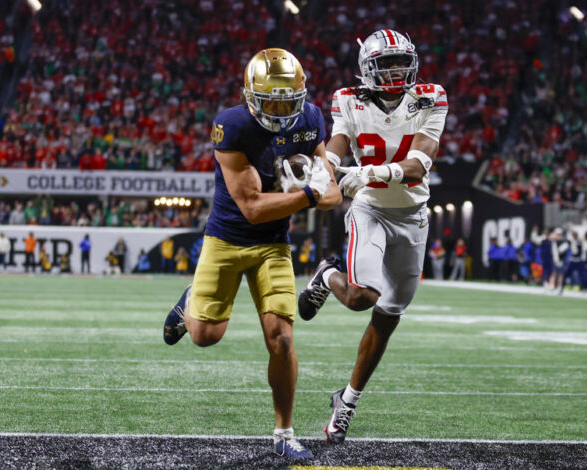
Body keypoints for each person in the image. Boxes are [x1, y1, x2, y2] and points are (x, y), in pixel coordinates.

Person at [162, 48, 340, 459]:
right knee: (206, 336)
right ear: (250, 96)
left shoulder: (311, 119)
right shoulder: (232, 125)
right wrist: (308, 193)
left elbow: (332, 193)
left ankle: (284, 434)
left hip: (273, 245)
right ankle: (189, 303)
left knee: (282, 340)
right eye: (270, 102)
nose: (280, 111)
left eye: (287, 102)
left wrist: (315, 191)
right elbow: (253, 207)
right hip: (226, 238)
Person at [295, 30, 447, 444]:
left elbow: (419, 163)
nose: (396, 71)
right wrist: (322, 169)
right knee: (362, 297)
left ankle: (346, 400)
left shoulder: (431, 96)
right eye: (387, 64)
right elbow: (337, 145)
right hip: (371, 210)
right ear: (367, 69)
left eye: (402, 62)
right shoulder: (348, 99)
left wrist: (371, 172)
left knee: (390, 314)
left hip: (413, 216)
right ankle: (328, 275)